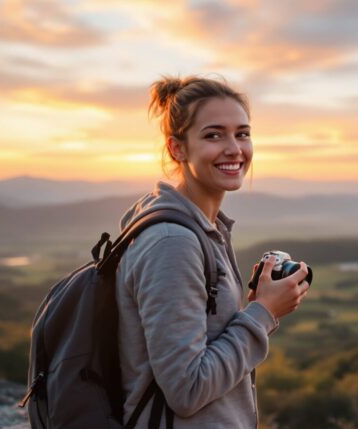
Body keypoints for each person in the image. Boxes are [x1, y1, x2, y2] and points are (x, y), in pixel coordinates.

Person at [115, 75, 310, 428]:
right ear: (178, 148)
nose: (235, 148)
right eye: (213, 135)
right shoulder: (173, 242)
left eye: (243, 133)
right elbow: (187, 389)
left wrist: (253, 307)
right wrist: (263, 313)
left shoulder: (201, 227)